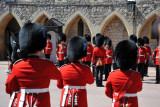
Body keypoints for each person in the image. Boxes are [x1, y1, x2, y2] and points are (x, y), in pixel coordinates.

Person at [5, 22, 62, 107]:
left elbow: (9, 88)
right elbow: (59, 77)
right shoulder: (48, 65)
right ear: (41, 46)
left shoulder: (17, 66)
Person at [57, 36, 94, 107]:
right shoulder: (86, 69)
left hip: (66, 99)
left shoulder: (62, 69)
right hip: (80, 100)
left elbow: (59, 85)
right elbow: (91, 81)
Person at [105, 40, 142, 107]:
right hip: (132, 104)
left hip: (117, 103)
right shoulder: (137, 75)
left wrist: (116, 95)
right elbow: (139, 89)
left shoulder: (112, 75)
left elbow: (107, 92)